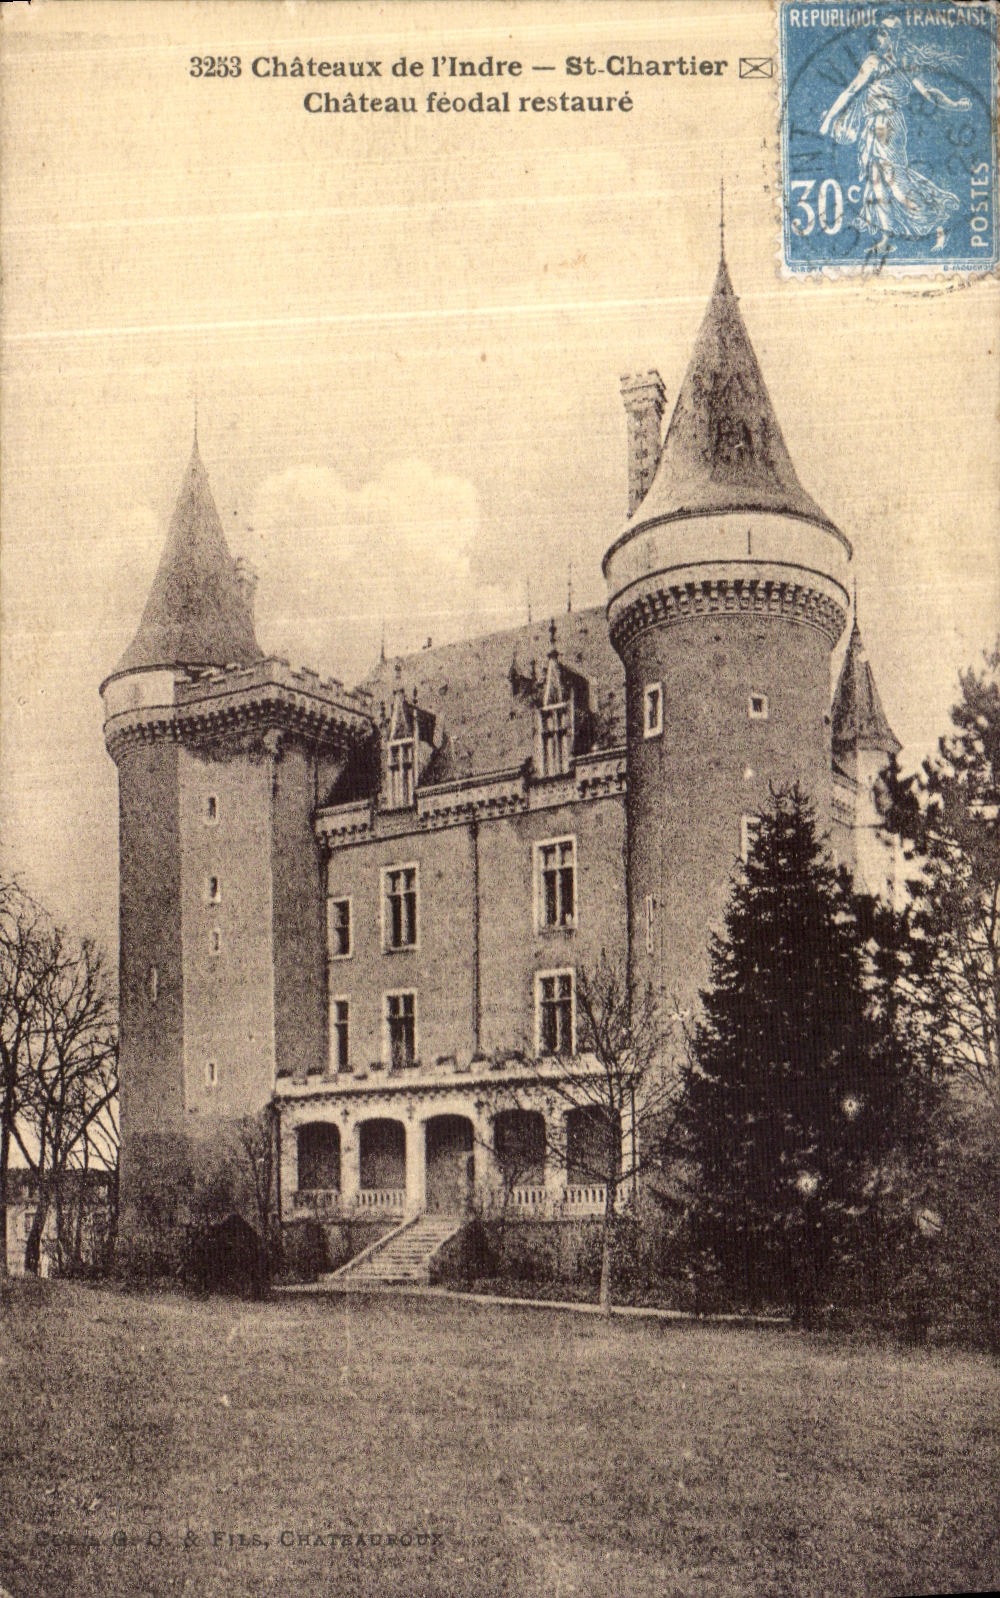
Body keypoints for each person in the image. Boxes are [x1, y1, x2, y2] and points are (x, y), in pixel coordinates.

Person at [819, 17, 971, 253]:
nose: (877, 38)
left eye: (883, 33)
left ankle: (939, 221)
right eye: (878, 32)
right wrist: (829, 119)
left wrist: (954, 105)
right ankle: (885, 239)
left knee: (897, 185)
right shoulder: (874, 61)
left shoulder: (899, 64)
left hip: (888, 127)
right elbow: (852, 90)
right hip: (873, 126)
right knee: (877, 182)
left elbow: (929, 93)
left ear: (892, 37)